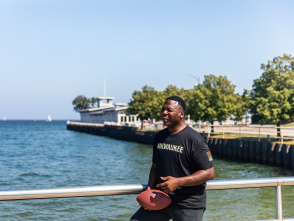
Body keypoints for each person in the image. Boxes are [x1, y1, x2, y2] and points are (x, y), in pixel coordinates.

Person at [130, 96, 214, 221]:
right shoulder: (159, 136)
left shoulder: (195, 140)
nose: (164, 113)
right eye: (163, 110)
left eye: (169, 110)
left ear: (181, 114)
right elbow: (155, 165)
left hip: (187, 203)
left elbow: (209, 173)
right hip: (159, 199)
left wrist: (178, 182)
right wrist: (150, 188)